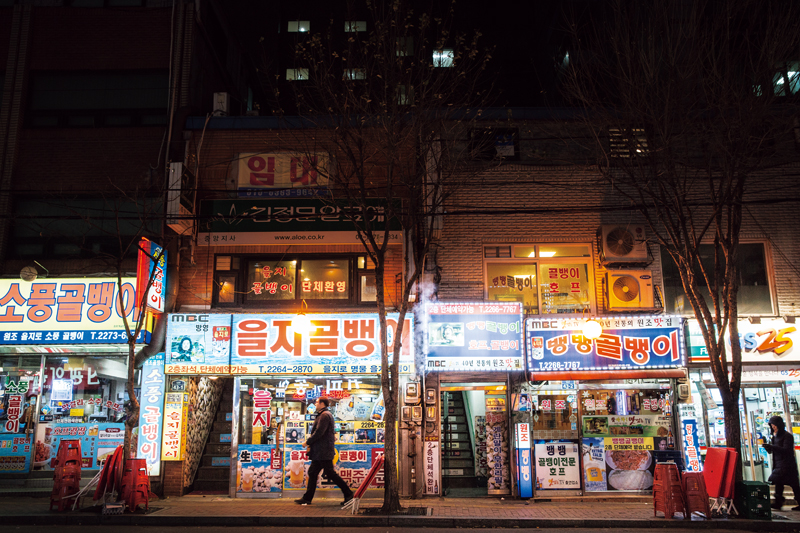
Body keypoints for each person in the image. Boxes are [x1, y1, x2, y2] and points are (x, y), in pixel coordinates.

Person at [295, 396, 354, 507]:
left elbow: (319, 432)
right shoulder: (324, 415)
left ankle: (349, 494)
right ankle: (307, 498)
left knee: (330, 473)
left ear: (322, 404)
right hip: (320, 451)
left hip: (323, 451)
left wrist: (307, 442)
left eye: (317, 402)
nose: (315, 404)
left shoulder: (325, 415)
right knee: (313, 472)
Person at [763, 415, 800, 511]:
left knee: (793, 484)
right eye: (771, 425)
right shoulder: (775, 437)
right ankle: (778, 501)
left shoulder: (787, 436)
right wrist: (769, 448)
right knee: (779, 482)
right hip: (779, 464)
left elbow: (786, 450)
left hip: (787, 464)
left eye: (774, 425)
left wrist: (772, 447)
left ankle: (780, 501)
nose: (773, 427)